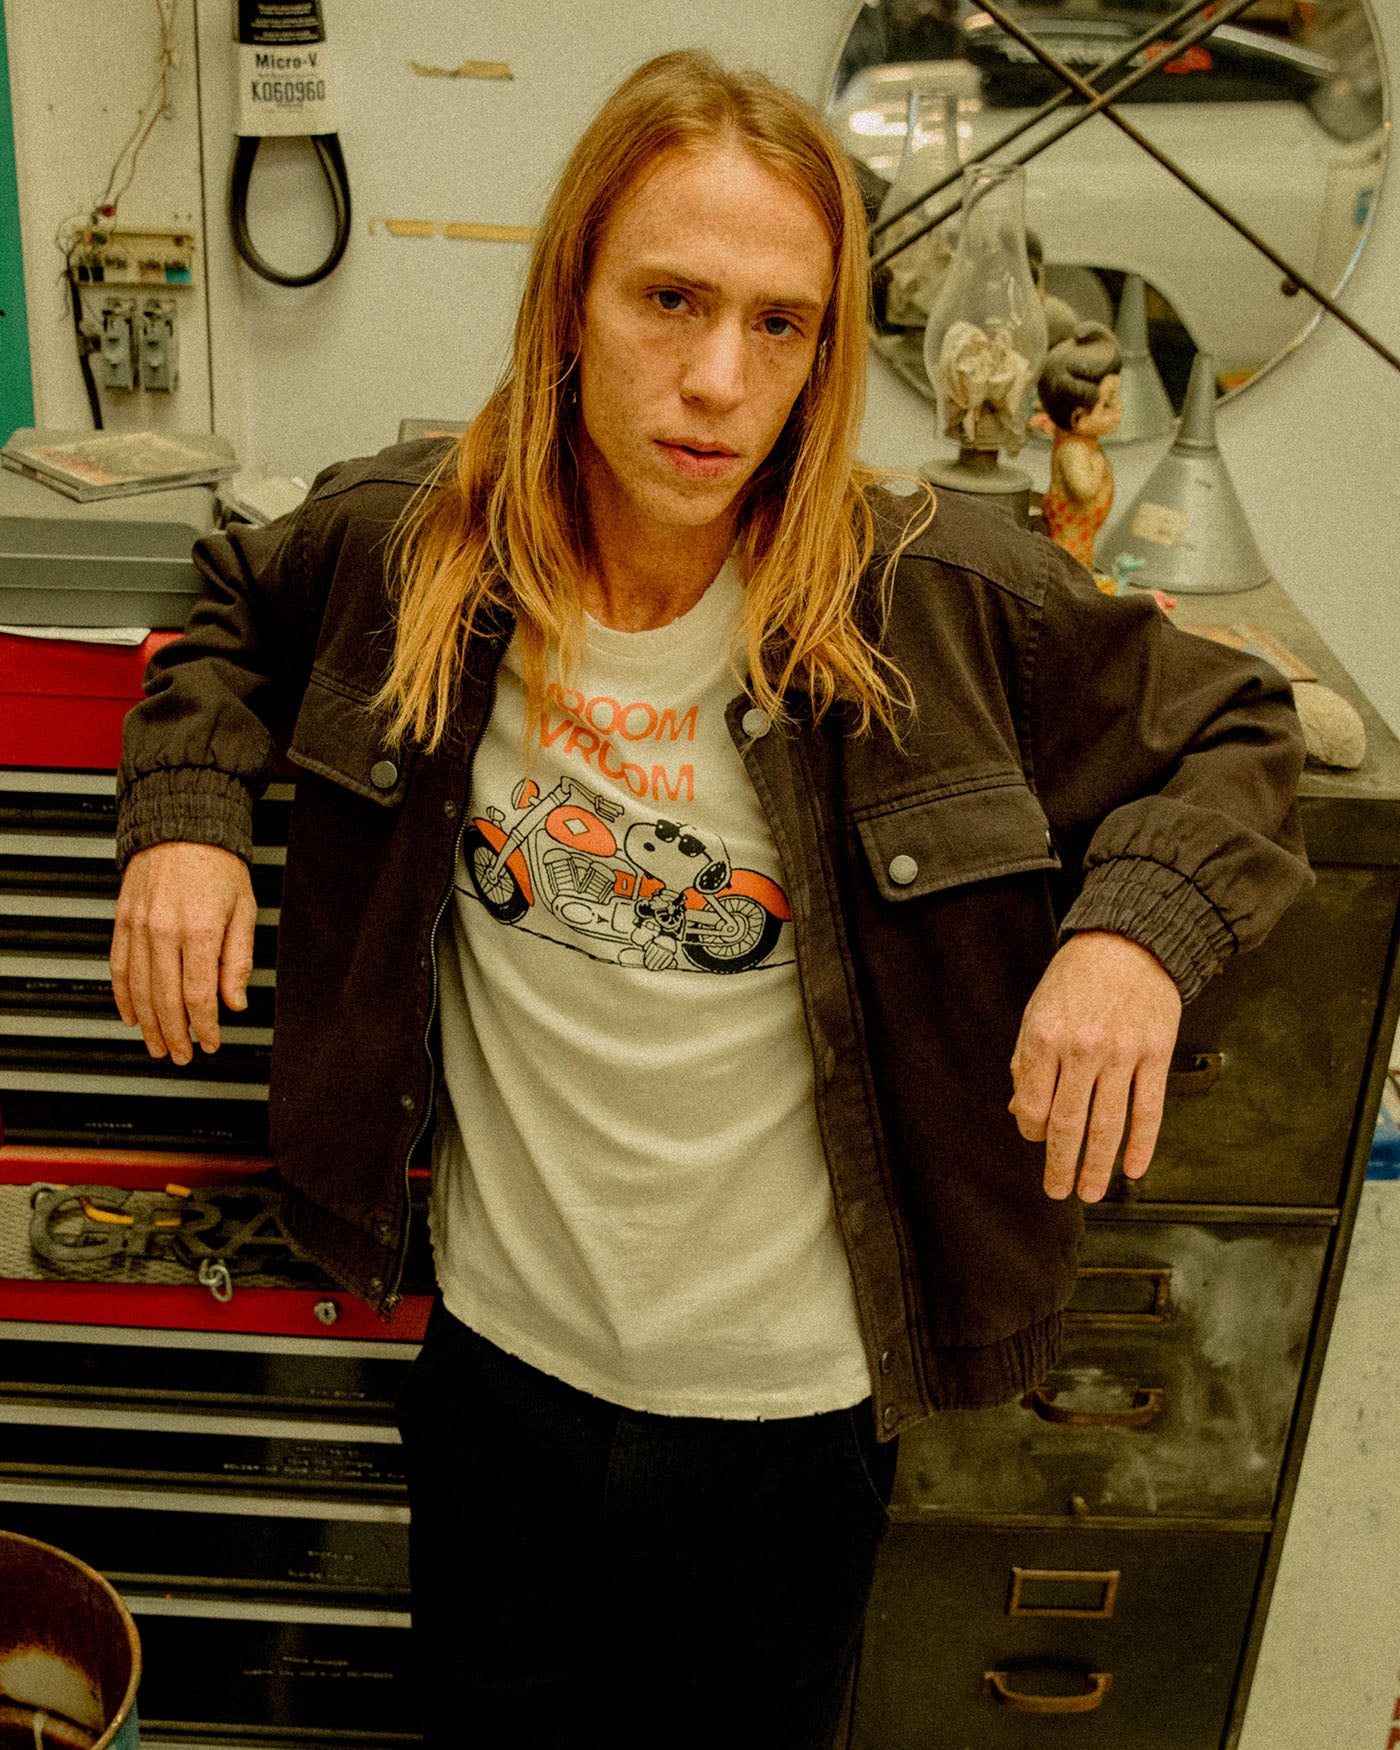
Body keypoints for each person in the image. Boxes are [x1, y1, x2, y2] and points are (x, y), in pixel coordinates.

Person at [108, 49, 1311, 1750]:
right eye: (669, 299)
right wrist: (186, 819)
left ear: (825, 353)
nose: (718, 380)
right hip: (503, 1379)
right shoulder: (410, 551)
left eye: (780, 324)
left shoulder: (937, 599)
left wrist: (1134, 935)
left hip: (789, 1424)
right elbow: (225, 611)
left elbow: (1240, 727)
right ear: (571, 302)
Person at [1038, 319, 1124, 568]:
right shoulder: (1073, 450)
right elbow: (1084, 489)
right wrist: (1097, 463)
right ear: (1078, 418)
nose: (1119, 409)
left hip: (1081, 549)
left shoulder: (1085, 442)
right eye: (1108, 403)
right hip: (1066, 553)